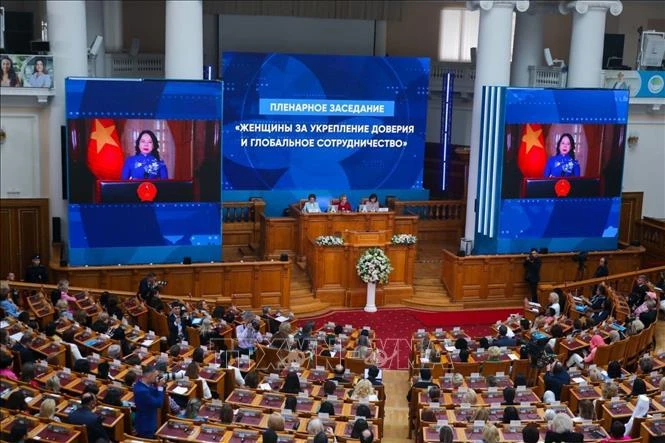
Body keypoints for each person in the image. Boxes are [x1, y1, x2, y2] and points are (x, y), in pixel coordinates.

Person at [133, 365, 165, 438]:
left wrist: (158, 385)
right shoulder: (142, 391)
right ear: (149, 375)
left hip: (147, 419)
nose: (157, 378)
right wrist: (160, 387)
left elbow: (154, 392)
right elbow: (159, 403)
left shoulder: (141, 383)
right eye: (155, 375)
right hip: (146, 424)